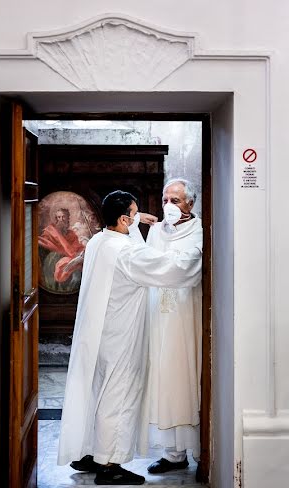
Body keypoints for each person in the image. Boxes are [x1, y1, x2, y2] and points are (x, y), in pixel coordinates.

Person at [58, 191, 203, 486]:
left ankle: (88, 452)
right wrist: (201, 253)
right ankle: (109, 464)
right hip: (120, 336)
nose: (138, 217)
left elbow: (124, 238)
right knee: (118, 396)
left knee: (95, 393)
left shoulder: (100, 240)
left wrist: (137, 222)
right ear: (124, 218)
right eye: (134, 213)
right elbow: (171, 269)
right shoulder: (127, 252)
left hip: (95, 334)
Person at [142, 179, 204, 474]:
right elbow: (142, 263)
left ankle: (201, 449)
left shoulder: (201, 231)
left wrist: (163, 266)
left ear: (190, 203)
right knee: (164, 380)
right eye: (165, 199)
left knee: (187, 378)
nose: (169, 206)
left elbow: (187, 268)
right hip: (159, 315)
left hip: (185, 316)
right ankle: (172, 454)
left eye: (176, 200)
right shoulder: (155, 232)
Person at [38, 208, 86, 284]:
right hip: (54, 259)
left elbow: (78, 248)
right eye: (58, 217)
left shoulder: (71, 233)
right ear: (56, 219)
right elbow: (45, 243)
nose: (61, 219)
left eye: (63, 217)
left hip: (71, 258)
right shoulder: (50, 231)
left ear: (68, 218)